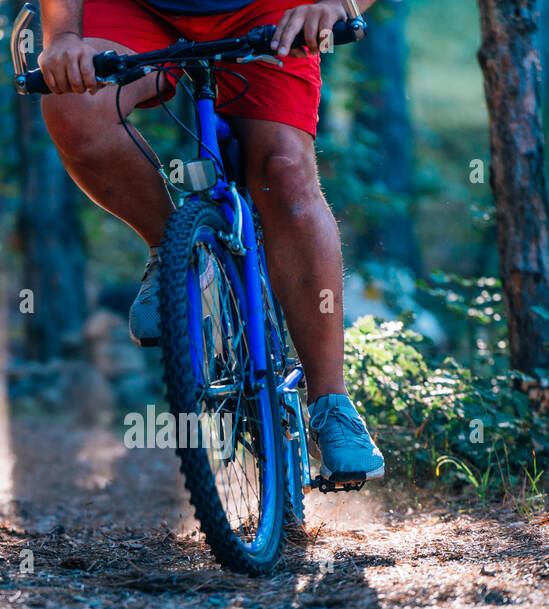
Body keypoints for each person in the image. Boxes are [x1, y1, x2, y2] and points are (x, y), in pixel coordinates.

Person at [37, 0, 385, 485]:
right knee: (74, 106)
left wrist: (336, 4)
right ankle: (175, 253)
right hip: (138, 9)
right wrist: (61, 40)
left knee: (284, 171)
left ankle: (332, 404)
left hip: (268, 8)